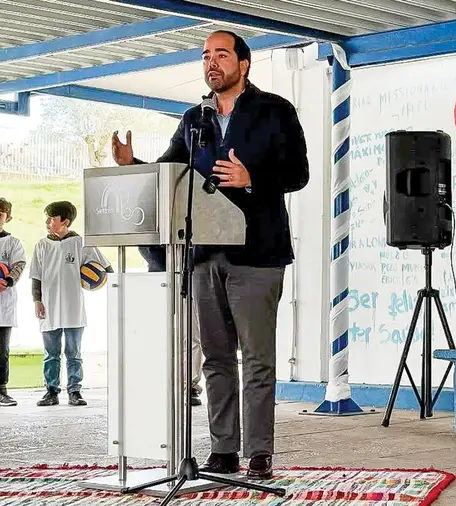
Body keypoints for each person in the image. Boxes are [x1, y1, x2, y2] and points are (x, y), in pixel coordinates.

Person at [110, 30, 309, 479]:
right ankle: (223, 450)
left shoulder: (275, 110)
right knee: (215, 358)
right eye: (205, 56)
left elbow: (299, 172)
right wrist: (132, 164)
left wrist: (250, 177)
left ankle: (259, 453)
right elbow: (172, 173)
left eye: (221, 54)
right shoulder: (193, 118)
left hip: (258, 253)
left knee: (257, 358)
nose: (211, 62)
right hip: (203, 254)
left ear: (244, 63)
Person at [31, 201, 112, 407]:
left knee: (74, 353)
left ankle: (75, 390)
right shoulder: (41, 245)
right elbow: (36, 277)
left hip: (74, 307)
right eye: (47, 218)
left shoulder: (80, 243)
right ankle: (51, 391)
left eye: (52, 218)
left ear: (65, 221)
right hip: (49, 307)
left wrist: (100, 280)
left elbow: (106, 267)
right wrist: (37, 301)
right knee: (51, 354)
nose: (48, 222)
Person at [138, 246, 204, 407]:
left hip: (189, 275)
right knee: (160, 335)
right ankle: (159, 382)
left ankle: (190, 385)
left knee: (191, 333)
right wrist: (163, 264)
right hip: (160, 276)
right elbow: (146, 244)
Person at [0, 198, 26, 407]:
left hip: (3, 304)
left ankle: (1, 390)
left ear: (8, 217)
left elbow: (18, 265)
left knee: (2, 350)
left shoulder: (13, 243)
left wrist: (7, 281)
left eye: (0, 213)